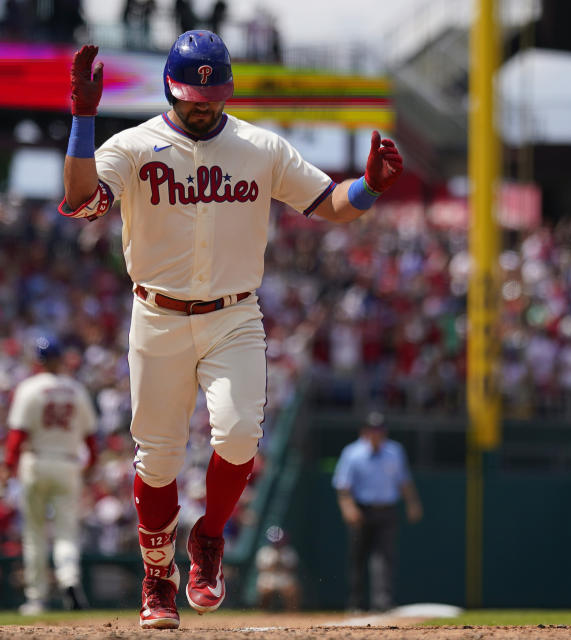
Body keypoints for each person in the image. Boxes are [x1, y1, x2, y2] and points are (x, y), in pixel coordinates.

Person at [62, 30, 403, 629]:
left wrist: (368, 187)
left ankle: (208, 539)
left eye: (214, 94)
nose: (205, 104)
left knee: (241, 433)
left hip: (234, 314)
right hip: (157, 316)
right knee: (159, 460)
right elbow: (82, 199)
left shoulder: (259, 146)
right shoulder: (135, 145)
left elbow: (328, 203)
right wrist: (83, 122)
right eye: (195, 94)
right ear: (171, 87)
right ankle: (157, 579)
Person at [6, 336, 99, 615]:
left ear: (37, 360)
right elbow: (92, 440)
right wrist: (90, 465)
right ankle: (69, 580)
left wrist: (7, 468)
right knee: (66, 531)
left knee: (34, 532)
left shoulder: (29, 389)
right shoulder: (76, 390)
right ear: (60, 359)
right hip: (68, 463)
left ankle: (37, 598)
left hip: (36, 461)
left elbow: (16, 437)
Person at [332, 411, 422, 613]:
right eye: (373, 430)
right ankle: (355, 602)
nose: (376, 434)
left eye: (380, 430)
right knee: (358, 557)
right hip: (361, 510)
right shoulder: (352, 453)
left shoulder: (394, 451)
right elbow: (343, 486)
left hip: (387, 510)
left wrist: (412, 503)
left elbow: (404, 481)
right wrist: (348, 508)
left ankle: (383, 601)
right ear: (364, 432)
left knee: (384, 557)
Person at [254, 525, 300, 610]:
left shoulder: (288, 551)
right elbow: (260, 568)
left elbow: (293, 568)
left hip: (284, 576)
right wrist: (274, 564)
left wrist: (281, 563)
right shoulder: (264, 551)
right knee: (264, 588)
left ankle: (292, 612)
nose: (277, 543)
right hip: (269, 576)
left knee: (292, 588)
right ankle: (263, 612)